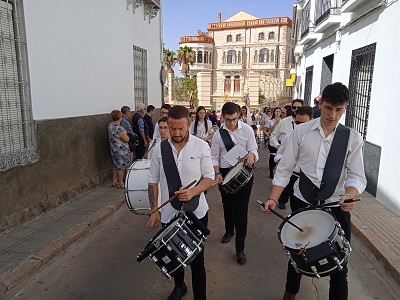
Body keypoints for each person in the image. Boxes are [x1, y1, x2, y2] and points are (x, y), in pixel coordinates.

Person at [261, 82, 367, 300]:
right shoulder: (301, 132)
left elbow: (356, 175)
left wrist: (349, 194)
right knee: (298, 255)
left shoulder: (352, 138)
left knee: (340, 264)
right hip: (303, 201)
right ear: (321, 105)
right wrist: (273, 198)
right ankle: (289, 295)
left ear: (345, 107)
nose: (333, 114)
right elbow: (284, 168)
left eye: (339, 109)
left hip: (337, 204)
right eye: (328, 108)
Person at [147, 105, 214, 300]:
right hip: (169, 212)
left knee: (197, 260)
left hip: (197, 212)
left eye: (181, 129)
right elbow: (153, 180)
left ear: (189, 124)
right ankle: (179, 286)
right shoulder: (160, 149)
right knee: (174, 255)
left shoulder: (201, 146)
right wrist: (154, 210)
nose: (176, 133)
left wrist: (192, 191)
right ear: (167, 125)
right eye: (172, 128)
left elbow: (209, 178)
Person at [211, 101, 259, 265]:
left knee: (241, 210)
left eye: (234, 119)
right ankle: (228, 230)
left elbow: (253, 149)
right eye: (228, 120)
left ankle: (240, 249)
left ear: (239, 116)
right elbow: (214, 157)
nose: (231, 123)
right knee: (227, 204)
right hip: (224, 173)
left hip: (243, 172)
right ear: (222, 117)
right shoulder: (218, 135)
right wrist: (217, 173)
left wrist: (252, 155)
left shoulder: (247, 130)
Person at [274, 106, 313, 210]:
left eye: (304, 124)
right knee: (296, 211)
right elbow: (279, 154)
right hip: (293, 176)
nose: (300, 127)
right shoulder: (289, 137)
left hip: (310, 181)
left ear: (312, 121)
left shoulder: (318, 139)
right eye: (297, 123)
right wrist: (279, 159)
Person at [108, 110, 130, 188]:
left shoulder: (110, 125)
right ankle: (120, 183)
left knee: (115, 165)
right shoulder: (119, 128)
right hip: (121, 150)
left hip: (113, 149)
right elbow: (126, 139)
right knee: (121, 167)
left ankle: (114, 181)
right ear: (120, 117)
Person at [264, 107, 282, 179]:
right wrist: (268, 135)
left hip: (280, 140)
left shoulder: (283, 121)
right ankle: (271, 171)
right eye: (276, 111)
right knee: (272, 156)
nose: (278, 113)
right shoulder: (270, 121)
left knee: (280, 155)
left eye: (279, 111)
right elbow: (267, 130)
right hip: (272, 140)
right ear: (274, 112)